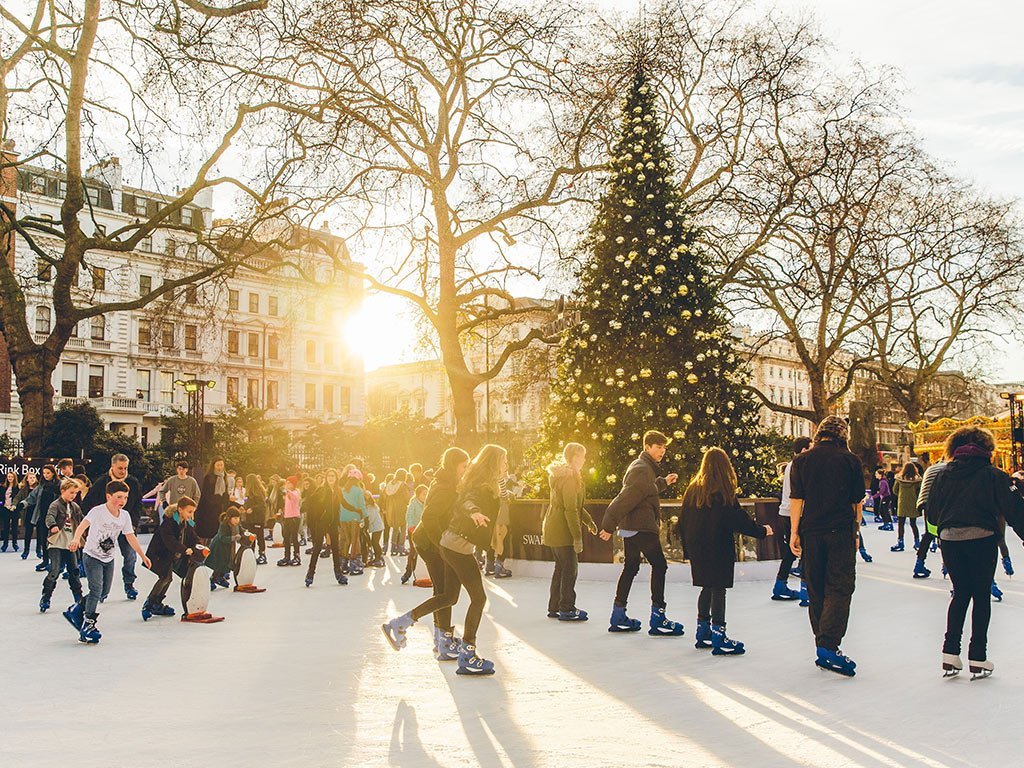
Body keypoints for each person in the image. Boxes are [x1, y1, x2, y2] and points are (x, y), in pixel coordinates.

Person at [383, 444, 506, 676]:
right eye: (462, 465)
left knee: (448, 595)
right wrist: (469, 516)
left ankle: (409, 626)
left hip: (448, 543)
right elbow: (442, 513)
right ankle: (464, 652)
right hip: (438, 543)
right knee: (473, 598)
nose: (465, 468)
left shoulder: (463, 484)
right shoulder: (452, 486)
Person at [928, 426, 1024, 679]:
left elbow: (932, 510)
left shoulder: (943, 474)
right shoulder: (993, 475)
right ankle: (977, 656)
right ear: (986, 449)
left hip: (950, 539)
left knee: (960, 593)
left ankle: (950, 653)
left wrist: (946, 527)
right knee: (980, 596)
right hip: (981, 538)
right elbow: (1014, 510)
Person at [789, 415, 865, 676]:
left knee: (816, 585)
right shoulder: (850, 460)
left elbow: (796, 499)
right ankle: (829, 645)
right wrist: (856, 532)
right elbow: (857, 502)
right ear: (843, 435)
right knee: (840, 586)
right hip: (840, 530)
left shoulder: (801, 461)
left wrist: (794, 532)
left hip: (812, 531)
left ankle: (821, 641)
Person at [679, 448, 772, 655]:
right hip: (717, 546)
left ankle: (703, 632)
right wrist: (762, 531)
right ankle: (719, 636)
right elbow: (737, 518)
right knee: (718, 588)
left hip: (698, 547)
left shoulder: (693, 489)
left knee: (706, 587)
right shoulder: (721, 491)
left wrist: (688, 549)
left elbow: (683, 520)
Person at [599, 430, 684, 636]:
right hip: (642, 527)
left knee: (631, 567)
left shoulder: (643, 468)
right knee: (660, 566)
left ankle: (618, 614)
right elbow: (626, 497)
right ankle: (658, 618)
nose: (662, 451)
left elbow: (645, 490)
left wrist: (664, 482)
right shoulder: (642, 469)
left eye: (664, 447)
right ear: (647, 447)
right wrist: (608, 524)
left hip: (633, 528)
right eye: (658, 447)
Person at [391, 447, 469, 661]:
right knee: (448, 594)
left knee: (444, 593)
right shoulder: (445, 487)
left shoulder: (446, 482)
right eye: (463, 466)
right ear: (454, 466)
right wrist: (442, 546)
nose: (465, 470)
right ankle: (402, 624)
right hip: (430, 543)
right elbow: (430, 516)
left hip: (431, 542)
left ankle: (442, 641)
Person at [67, 480, 152, 644]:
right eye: (119, 497)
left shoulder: (125, 516)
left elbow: (130, 536)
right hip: (92, 556)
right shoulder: (98, 511)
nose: (122, 501)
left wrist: (142, 555)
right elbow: (82, 526)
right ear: (108, 496)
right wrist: (76, 539)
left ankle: (76, 609)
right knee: (96, 589)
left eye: (125, 497)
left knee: (103, 593)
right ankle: (88, 625)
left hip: (108, 558)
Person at [542, 443, 597, 621]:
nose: (584, 459)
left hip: (553, 527)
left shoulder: (562, 476)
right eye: (582, 456)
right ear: (573, 458)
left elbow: (575, 507)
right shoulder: (570, 479)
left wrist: (588, 521)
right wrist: (577, 537)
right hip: (562, 530)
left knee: (561, 568)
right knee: (570, 569)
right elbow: (570, 510)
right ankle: (566, 608)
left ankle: (555, 606)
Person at [81, 454, 143, 599]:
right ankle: (101, 588)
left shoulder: (133, 482)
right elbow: (89, 503)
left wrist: (133, 523)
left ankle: (129, 584)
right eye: (120, 468)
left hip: (125, 525)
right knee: (103, 556)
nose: (122, 471)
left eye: (125, 468)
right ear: (112, 466)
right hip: (106, 529)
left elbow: (137, 505)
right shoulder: (102, 482)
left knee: (130, 556)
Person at [141, 496, 199, 621]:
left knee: (168, 578)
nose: (191, 514)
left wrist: (199, 546)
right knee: (165, 577)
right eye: (189, 511)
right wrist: (184, 549)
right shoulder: (169, 522)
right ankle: (149, 604)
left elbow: (193, 536)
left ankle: (156, 603)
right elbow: (170, 541)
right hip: (160, 555)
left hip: (171, 556)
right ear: (180, 509)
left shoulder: (187, 522)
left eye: (193, 512)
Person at [771, 437, 810, 603]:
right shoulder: (802, 465)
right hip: (797, 513)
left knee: (790, 551)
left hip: (785, 511)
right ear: (803, 450)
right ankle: (806, 590)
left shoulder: (790, 465)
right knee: (806, 550)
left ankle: (780, 585)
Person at [39, 479, 84, 613]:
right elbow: (49, 517)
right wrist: (52, 526)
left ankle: (79, 599)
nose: (73, 495)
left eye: (75, 493)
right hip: (56, 543)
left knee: (74, 571)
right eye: (71, 492)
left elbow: (82, 520)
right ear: (63, 491)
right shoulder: (55, 505)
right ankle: (46, 597)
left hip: (70, 544)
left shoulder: (75, 507)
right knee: (55, 570)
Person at [305, 468, 346, 587]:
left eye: (333, 476)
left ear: (336, 478)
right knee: (317, 547)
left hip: (333, 523)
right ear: (326, 478)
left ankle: (338, 574)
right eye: (329, 476)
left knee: (335, 548)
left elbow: (344, 503)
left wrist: (357, 511)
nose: (331, 478)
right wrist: (317, 517)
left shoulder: (338, 490)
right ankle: (310, 574)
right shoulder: (322, 490)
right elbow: (311, 502)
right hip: (321, 522)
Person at [31, 464, 60, 570]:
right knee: (43, 539)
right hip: (42, 515)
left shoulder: (58, 484)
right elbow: (32, 496)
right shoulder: (41, 485)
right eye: (44, 473)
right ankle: (45, 560)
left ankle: (55, 563)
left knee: (53, 540)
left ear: (53, 473)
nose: (46, 475)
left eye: (48, 473)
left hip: (54, 516)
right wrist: (23, 503)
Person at [207, 507, 243, 589]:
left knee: (227, 562)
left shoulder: (237, 525)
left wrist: (247, 534)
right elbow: (222, 537)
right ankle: (213, 579)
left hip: (228, 547)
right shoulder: (224, 525)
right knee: (220, 564)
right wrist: (233, 538)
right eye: (235, 518)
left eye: (238, 518)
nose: (237, 520)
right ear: (229, 518)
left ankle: (221, 577)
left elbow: (241, 531)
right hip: (219, 547)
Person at [339, 470, 367, 575]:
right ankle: (355, 564)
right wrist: (365, 516)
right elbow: (362, 505)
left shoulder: (342, 490)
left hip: (343, 518)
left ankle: (343, 564)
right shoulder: (358, 490)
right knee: (355, 540)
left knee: (346, 539)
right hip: (355, 518)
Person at [195, 457, 229, 542]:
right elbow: (207, 496)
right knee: (208, 533)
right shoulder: (208, 477)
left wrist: (226, 499)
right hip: (207, 510)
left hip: (219, 509)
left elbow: (226, 493)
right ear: (213, 466)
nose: (220, 467)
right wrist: (221, 499)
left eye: (221, 465)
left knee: (217, 532)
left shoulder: (224, 477)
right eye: (218, 465)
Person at [891, 462, 922, 552]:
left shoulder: (899, 479)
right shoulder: (917, 480)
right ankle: (917, 542)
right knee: (913, 524)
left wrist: (901, 495)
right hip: (913, 503)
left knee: (901, 524)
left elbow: (894, 490)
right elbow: (919, 491)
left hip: (902, 503)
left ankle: (900, 542)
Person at [402, 484, 428, 584]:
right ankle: (408, 571)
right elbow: (409, 515)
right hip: (414, 530)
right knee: (413, 551)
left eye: (427, 493)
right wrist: (411, 526)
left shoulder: (427, 503)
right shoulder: (414, 503)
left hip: (424, 531)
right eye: (423, 494)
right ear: (418, 495)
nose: (425, 496)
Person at [277, 475, 301, 567]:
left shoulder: (295, 492)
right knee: (286, 537)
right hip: (287, 517)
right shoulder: (288, 493)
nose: (287, 484)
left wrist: (287, 490)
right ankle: (287, 556)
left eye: (289, 483)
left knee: (294, 537)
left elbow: (294, 497)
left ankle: (297, 556)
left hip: (294, 517)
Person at [244, 474, 268, 565]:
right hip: (250, 518)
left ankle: (262, 554)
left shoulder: (258, 492)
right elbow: (247, 502)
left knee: (259, 536)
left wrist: (252, 509)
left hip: (257, 518)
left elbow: (262, 505)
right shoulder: (249, 493)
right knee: (251, 537)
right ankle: (251, 554)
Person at [386, 469, 412, 555]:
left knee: (395, 528)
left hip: (392, 508)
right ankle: (401, 548)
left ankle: (393, 548)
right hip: (401, 508)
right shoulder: (403, 486)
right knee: (403, 528)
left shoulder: (390, 484)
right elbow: (407, 497)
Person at [15, 471, 39, 560]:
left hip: (37, 512)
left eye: (34, 477)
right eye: (30, 478)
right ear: (27, 479)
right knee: (28, 533)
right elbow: (17, 497)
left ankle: (38, 550)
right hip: (28, 512)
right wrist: (15, 504)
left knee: (39, 533)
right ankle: (26, 551)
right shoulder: (24, 489)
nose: (32, 479)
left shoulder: (39, 488)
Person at [1, 470, 20, 552]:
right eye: (9, 477)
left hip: (14, 509)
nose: (10, 478)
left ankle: (15, 544)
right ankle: (5, 544)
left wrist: (14, 506)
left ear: (14, 478)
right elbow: (1, 498)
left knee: (14, 527)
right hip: (5, 509)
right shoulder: (4, 487)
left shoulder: (17, 487)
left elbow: (19, 499)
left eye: (11, 477)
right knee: (6, 527)